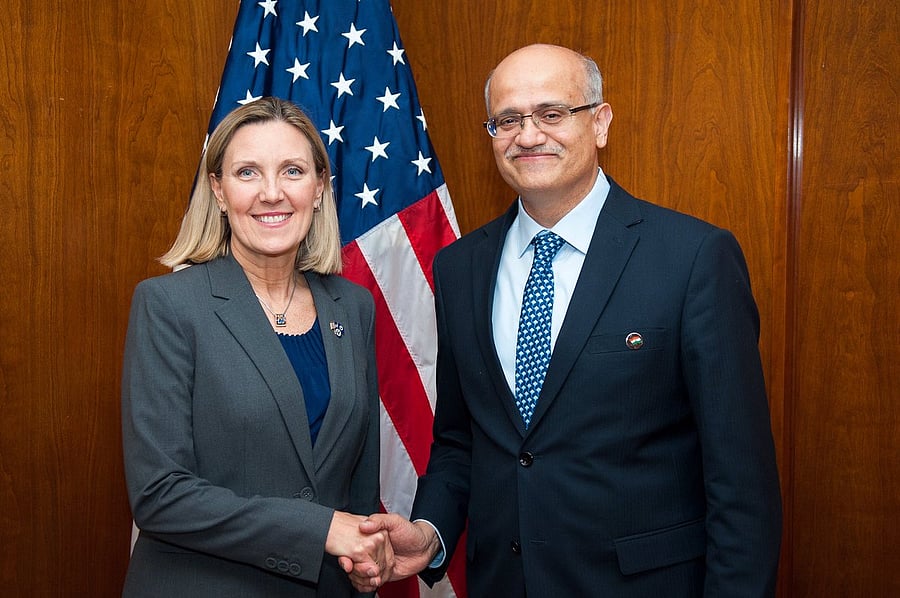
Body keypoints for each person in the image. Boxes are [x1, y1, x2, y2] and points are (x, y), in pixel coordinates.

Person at [354, 44, 782, 597]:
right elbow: (462, 439)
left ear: (600, 123)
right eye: (508, 120)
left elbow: (741, 482)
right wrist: (430, 531)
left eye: (552, 113)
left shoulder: (693, 258)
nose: (528, 135)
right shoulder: (460, 268)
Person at [121, 97, 389, 597]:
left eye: (292, 170)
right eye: (247, 173)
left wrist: (367, 551)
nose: (272, 193)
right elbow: (159, 496)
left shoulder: (352, 307)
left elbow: (359, 489)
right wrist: (319, 531)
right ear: (219, 191)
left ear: (319, 188)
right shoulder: (170, 305)